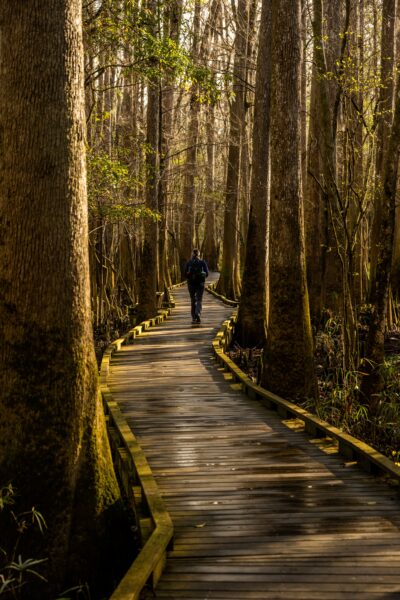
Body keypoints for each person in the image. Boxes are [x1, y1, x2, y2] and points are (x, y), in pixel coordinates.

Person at [185, 248, 209, 323]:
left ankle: (193, 317)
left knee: (193, 300)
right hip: (200, 284)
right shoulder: (202, 262)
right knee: (199, 299)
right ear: (199, 254)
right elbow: (207, 274)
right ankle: (197, 313)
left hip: (191, 284)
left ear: (192, 254)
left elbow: (185, 274)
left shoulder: (189, 263)